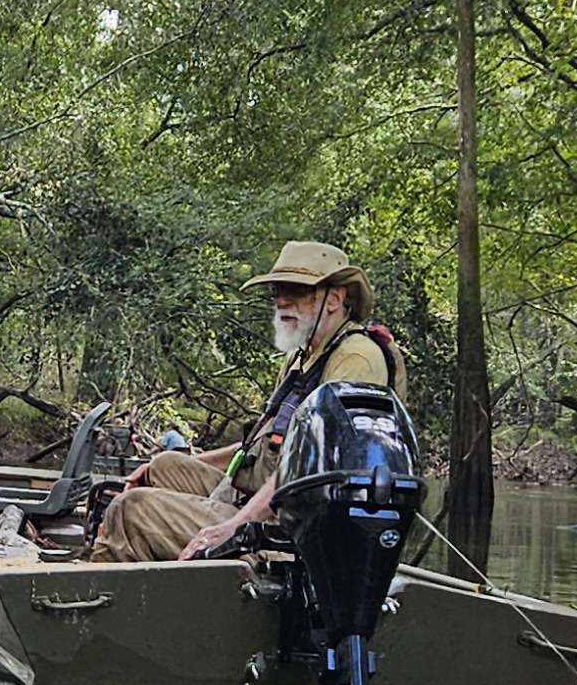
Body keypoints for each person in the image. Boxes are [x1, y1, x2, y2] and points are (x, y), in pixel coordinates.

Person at [90, 241, 407, 563]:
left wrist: (234, 526)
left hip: (297, 534)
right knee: (162, 466)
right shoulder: (301, 358)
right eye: (278, 291)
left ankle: (92, 600)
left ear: (334, 299)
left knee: (131, 510)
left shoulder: (356, 358)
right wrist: (178, 463)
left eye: (296, 291)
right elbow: (259, 444)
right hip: (263, 501)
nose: (282, 301)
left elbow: (316, 469)